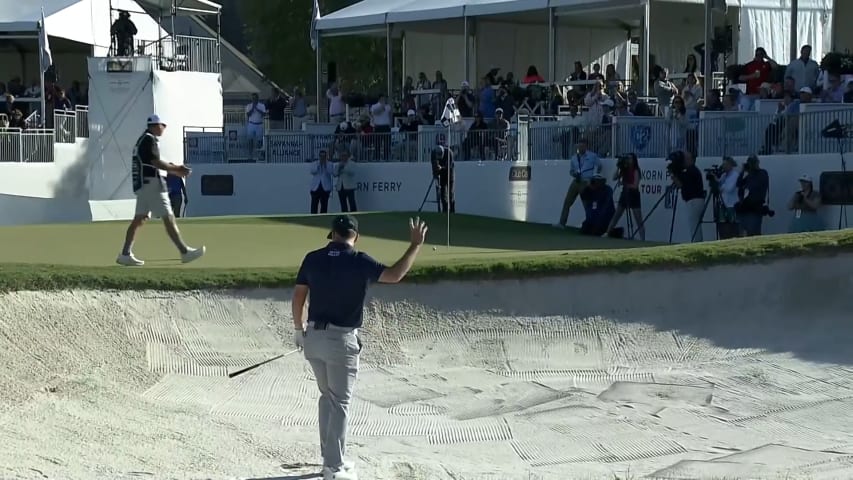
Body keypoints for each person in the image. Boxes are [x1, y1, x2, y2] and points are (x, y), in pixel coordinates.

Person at [292, 215, 428, 480]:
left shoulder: (312, 257)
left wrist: (298, 329)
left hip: (314, 339)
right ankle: (333, 466)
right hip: (341, 342)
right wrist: (415, 245)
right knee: (340, 401)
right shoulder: (359, 260)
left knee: (327, 397)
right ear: (355, 236)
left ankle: (330, 458)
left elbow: (299, 296)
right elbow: (395, 274)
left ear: (332, 234)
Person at [116, 115, 205, 266]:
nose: (164, 128)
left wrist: (174, 170)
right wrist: (177, 169)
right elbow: (156, 162)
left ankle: (125, 253)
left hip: (144, 184)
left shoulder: (143, 139)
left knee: (139, 219)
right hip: (152, 184)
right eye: (162, 125)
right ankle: (184, 252)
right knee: (168, 217)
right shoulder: (149, 139)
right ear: (155, 125)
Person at [556, 138, 602, 228]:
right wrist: (574, 174)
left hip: (586, 182)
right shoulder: (574, 158)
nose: (581, 147)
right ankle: (562, 223)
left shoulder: (592, 156)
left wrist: (593, 177)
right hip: (576, 181)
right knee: (567, 202)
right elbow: (571, 171)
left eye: (583, 146)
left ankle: (590, 224)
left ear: (586, 146)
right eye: (579, 146)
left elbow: (599, 166)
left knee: (586, 204)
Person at [605, 153, 645, 240]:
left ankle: (643, 238)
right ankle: (607, 233)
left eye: (630, 158)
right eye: (627, 158)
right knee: (616, 215)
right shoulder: (624, 169)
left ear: (634, 160)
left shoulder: (636, 170)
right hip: (625, 193)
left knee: (638, 218)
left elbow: (635, 185)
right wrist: (618, 167)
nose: (628, 160)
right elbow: (614, 177)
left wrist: (624, 183)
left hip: (633, 195)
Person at [669, 150, 705, 242]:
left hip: (694, 201)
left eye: (685, 159)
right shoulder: (690, 170)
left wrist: (674, 175)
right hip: (694, 201)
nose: (683, 161)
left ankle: (697, 243)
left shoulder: (691, 171)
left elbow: (681, 185)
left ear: (690, 159)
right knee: (695, 225)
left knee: (694, 225)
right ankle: (697, 242)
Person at [735, 154, 771, 236]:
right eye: (749, 163)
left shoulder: (762, 173)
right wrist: (743, 171)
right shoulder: (749, 175)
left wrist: (751, 172)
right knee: (742, 232)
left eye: (752, 163)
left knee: (753, 233)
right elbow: (738, 184)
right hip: (744, 208)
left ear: (757, 163)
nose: (751, 165)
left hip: (755, 208)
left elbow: (753, 186)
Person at [714, 157, 741, 239]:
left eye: (726, 164)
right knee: (723, 226)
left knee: (732, 226)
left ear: (730, 165)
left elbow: (729, 188)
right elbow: (719, 186)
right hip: (723, 203)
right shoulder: (724, 175)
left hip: (732, 205)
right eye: (723, 164)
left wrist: (721, 186)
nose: (724, 166)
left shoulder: (735, 175)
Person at [431, 145, 455, 213]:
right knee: (442, 193)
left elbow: (449, 166)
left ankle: (452, 211)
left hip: (449, 172)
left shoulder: (449, 153)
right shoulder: (433, 153)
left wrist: (441, 168)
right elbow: (433, 166)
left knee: (450, 193)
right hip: (440, 174)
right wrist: (435, 175)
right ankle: (444, 211)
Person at [310, 149, 333, 214]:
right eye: (321, 156)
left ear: (326, 157)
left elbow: (331, 172)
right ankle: (313, 218)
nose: (322, 158)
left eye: (324, 156)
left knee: (324, 205)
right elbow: (312, 171)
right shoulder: (315, 163)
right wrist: (319, 165)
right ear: (319, 156)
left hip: (325, 188)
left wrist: (325, 165)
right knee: (314, 205)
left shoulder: (330, 164)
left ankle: (323, 218)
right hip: (315, 188)